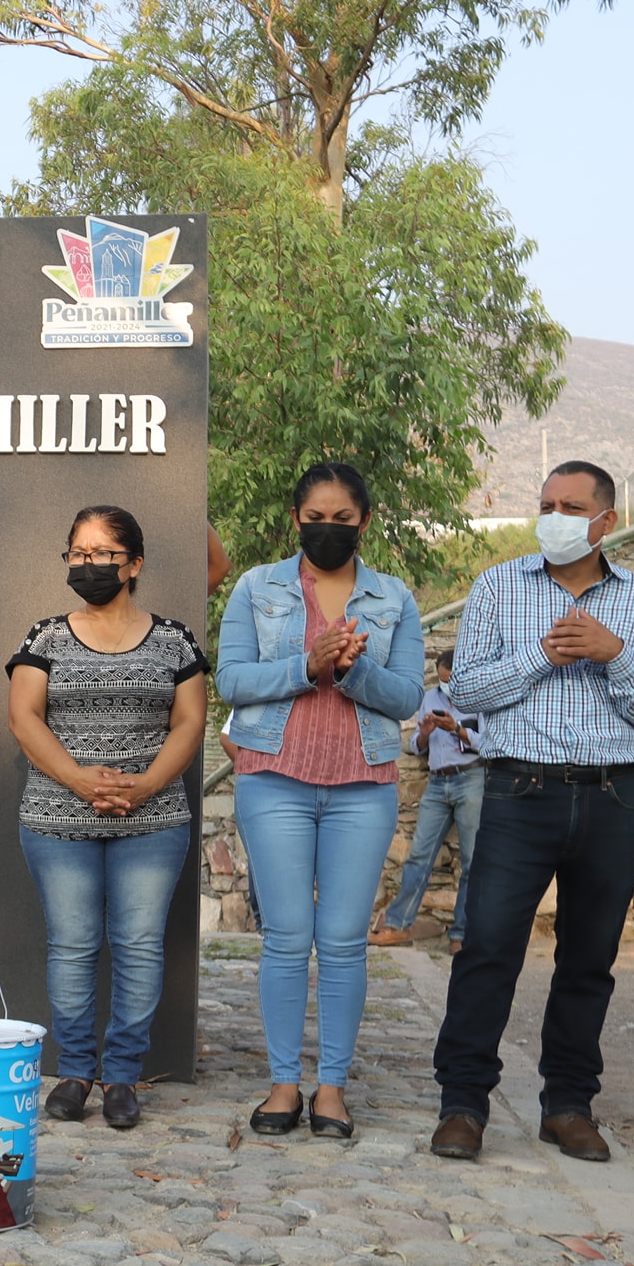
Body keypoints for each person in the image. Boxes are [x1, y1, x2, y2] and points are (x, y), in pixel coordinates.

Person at [430, 461, 634, 1163]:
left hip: (613, 793)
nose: (554, 516)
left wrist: (614, 655)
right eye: (545, 503)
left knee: (589, 957)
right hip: (519, 789)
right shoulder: (498, 585)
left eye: (571, 505)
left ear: (606, 521)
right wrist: (542, 654)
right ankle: (463, 1104)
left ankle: (568, 1105)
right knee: (487, 947)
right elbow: (469, 691)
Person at [216, 462, 424, 1139]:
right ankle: (283, 1084)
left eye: (342, 519)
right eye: (315, 517)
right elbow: (232, 680)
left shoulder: (393, 597)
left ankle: (331, 1087)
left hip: (363, 786)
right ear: (295, 518)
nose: (327, 529)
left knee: (340, 942)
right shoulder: (256, 586)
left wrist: (353, 668)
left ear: (364, 521)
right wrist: (308, 665)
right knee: (285, 937)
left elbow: (408, 697)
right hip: (274, 777)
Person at [6, 505, 206, 1128]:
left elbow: (191, 721)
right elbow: (23, 717)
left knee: (140, 947)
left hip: (154, 819)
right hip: (57, 818)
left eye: (102, 555)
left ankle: (121, 1076)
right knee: (72, 947)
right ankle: (74, 1072)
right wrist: (80, 780)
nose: (87, 565)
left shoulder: (174, 640)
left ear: (135, 564)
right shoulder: (45, 637)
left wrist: (143, 786)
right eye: (78, 554)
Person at [370, 649, 484, 953]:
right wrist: (424, 734)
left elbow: (491, 743)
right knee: (419, 856)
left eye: (450, 681)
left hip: (472, 779)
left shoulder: (481, 698)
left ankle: (461, 934)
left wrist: (456, 729)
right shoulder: (429, 699)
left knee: (473, 860)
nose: (445, 686)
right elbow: (416, 746)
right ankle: (398, 925)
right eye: (442, 681)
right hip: (437, 783)